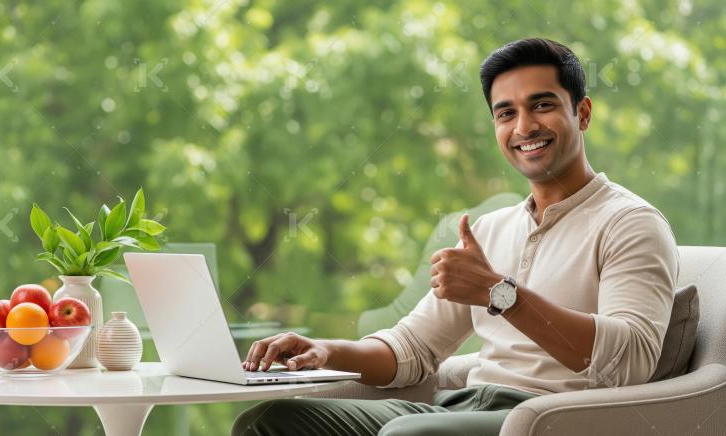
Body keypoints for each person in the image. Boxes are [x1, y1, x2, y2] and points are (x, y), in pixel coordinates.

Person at [231, 38, 678, 436]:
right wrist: (326, 351)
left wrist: (500, 294)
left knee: (409, 434)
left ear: (582, 113)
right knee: (267, 422)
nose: (524, 127)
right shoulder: (490, 229)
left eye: (542, 105)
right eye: (506, 113)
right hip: (462, 408)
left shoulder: (630, 222)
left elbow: (631, 362)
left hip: (548, 419)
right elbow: (414, 349)